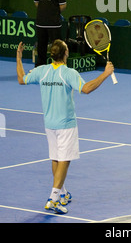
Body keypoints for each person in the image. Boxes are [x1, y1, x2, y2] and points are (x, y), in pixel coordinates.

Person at [16, 39, 114, 215]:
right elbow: (86, 89)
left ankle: (62, 193)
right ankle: (53, 199)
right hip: (66, 125)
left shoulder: (41, 71)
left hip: (49, 124)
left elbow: (21, 79)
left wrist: (18, 57)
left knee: (55, 158)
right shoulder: (68, 73)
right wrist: (105, 74)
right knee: (64, 160)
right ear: (66, 54)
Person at [34, 0, 67, 67]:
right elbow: (36, 3)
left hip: (54, 24)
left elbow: (63, 5)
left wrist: (53, 12)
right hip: (41, 23)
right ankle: (39, 68)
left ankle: (58, 67)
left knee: (57, 48)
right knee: (41, 48)